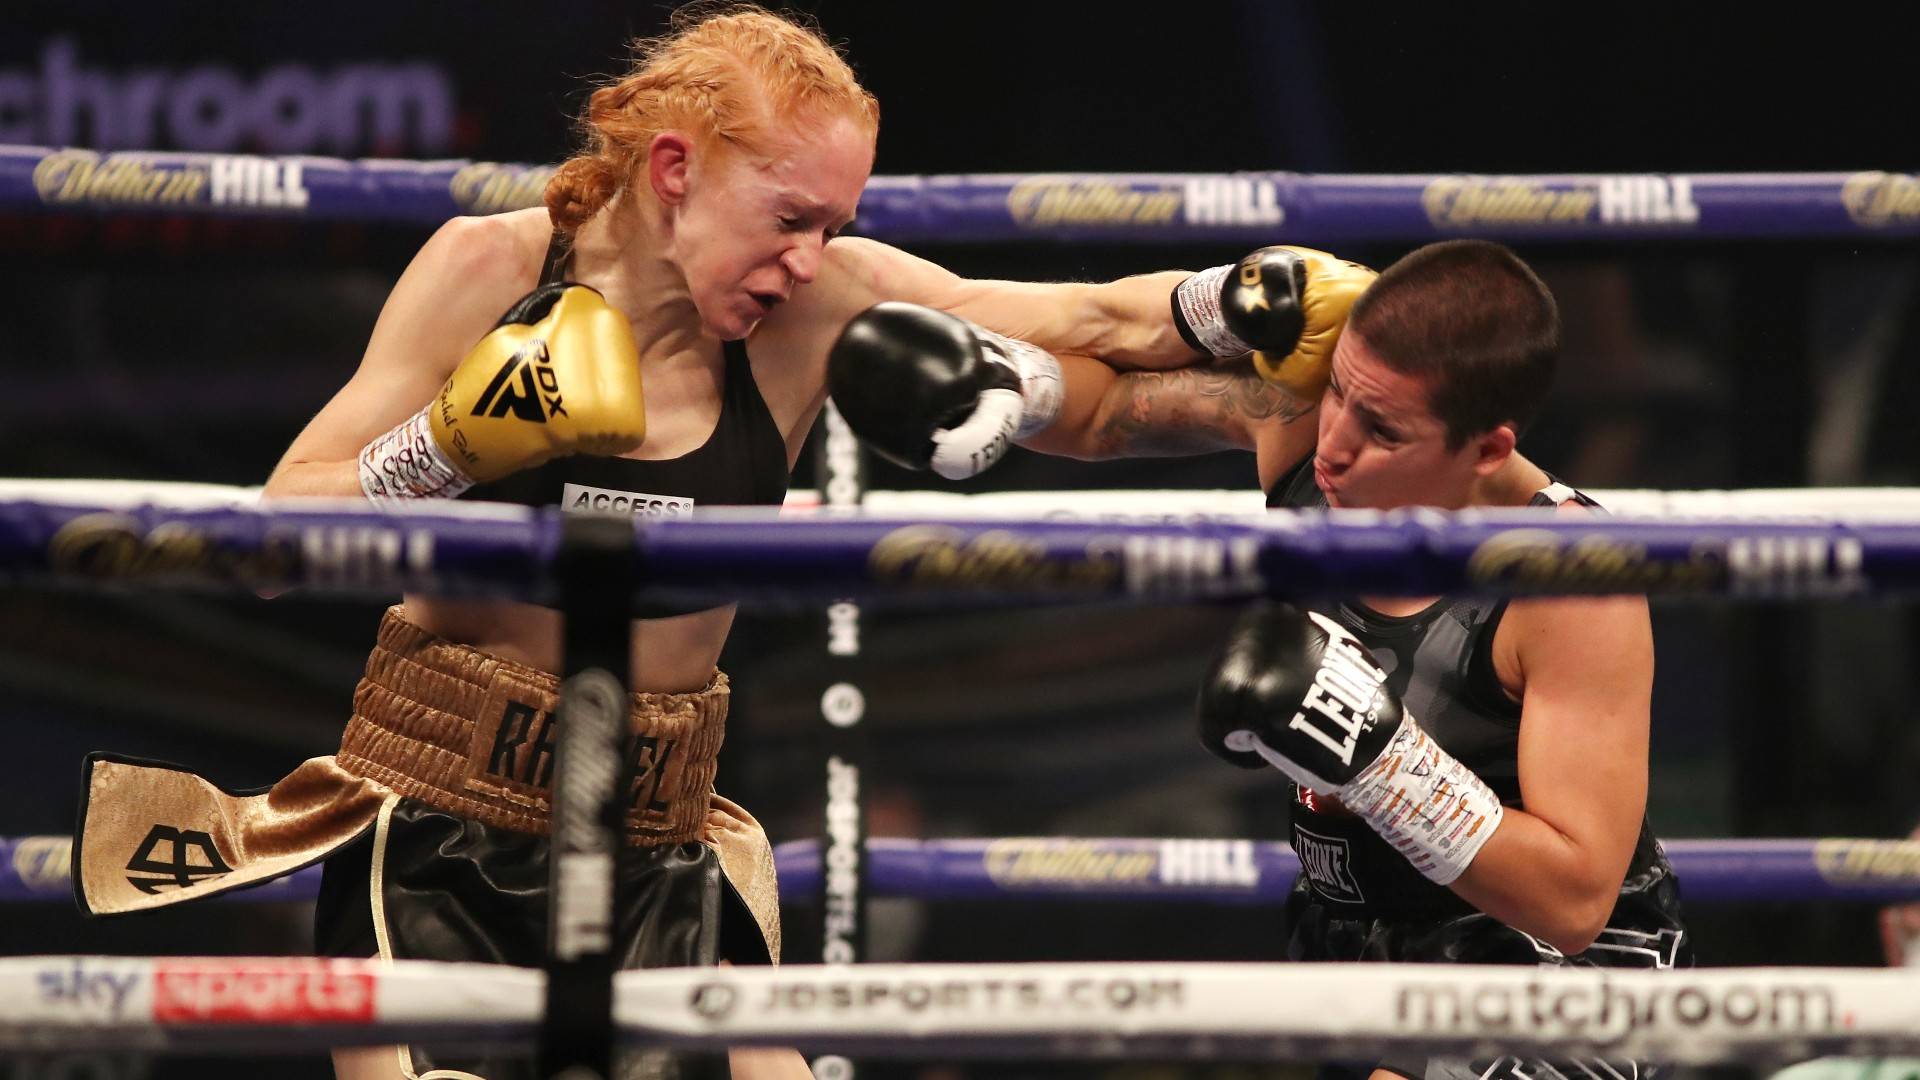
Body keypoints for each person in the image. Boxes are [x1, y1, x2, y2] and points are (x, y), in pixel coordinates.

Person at [68, 7, 1291, 1080]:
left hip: (664, 836)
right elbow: (271, 548)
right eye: (789, 218)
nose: (807, 258)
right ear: (672, 169)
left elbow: (1088, 331)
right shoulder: (489, 269)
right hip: (442, 833)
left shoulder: (817, 305)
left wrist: (1265, 321)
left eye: (834, 225)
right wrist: (446, 444)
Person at [830, 239, 1688, 1080]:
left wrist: (1378, 759)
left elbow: (1573, 903)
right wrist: (1016, 387)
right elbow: (1112, 409)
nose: (1336, 441)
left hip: (1548, 977)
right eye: (1340, 390)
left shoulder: (1569, 577)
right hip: (1356, 938)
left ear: (1488, 450)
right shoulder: (1313, 436)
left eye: (1383, 430)